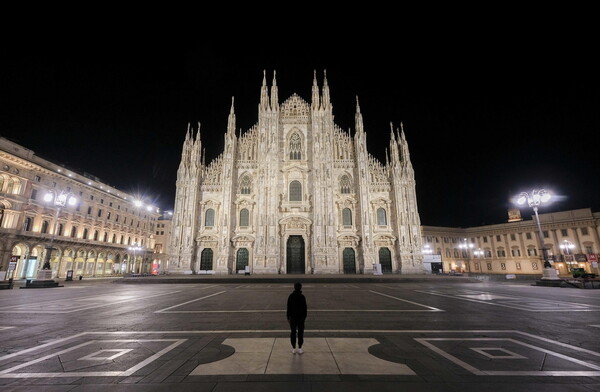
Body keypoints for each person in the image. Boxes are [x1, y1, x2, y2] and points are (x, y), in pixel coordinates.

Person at [287, 281, 307, 354]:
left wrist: (288, 317)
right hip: (300, 318)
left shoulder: (291, 296)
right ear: (300, 288)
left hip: (293, 317)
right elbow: (305, 308)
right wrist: (304, 317)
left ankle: (293, 348)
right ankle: (300, 347)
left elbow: (288, 307)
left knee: (293, 332)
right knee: (300, 333)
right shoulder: (302, 297)